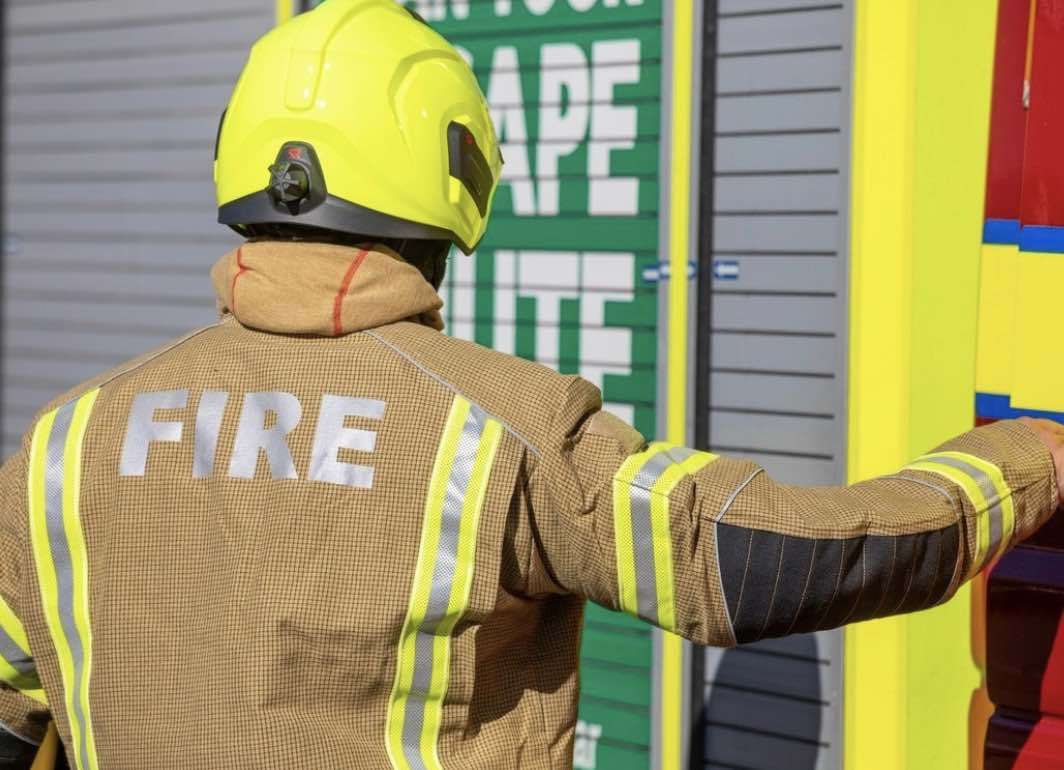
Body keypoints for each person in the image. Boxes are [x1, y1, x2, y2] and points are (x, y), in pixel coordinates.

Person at [2, 1, 1063, 768]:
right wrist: (1029, 456)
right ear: (453, 173)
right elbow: (775, 558)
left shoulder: (63, 442)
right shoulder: (497, 431)